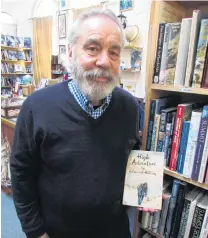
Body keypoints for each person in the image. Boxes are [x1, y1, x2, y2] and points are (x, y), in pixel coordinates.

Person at [10, 9, 152, 238]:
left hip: (114, 230)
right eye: (93, 48)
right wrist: (35, 232)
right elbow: (21, 172)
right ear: (70, 52)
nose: (104, 61)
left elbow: (132, 155)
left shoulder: (129, 106)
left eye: (114, 52)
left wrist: (147, 189)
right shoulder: (37, 107)